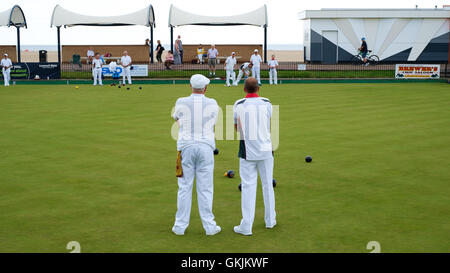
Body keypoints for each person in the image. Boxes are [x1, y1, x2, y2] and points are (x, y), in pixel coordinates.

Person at [172, 74, 221, 236]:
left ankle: (180, 226)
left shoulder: (181, 101)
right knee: (205, 187)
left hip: (186, 146)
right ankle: (209, 226)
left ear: (190, 86)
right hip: (206, 146)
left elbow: (176, 119)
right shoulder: (212, 103)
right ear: (205, 88)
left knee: (184, 187)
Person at [233, 77, 276, 236]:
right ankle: (270, 221)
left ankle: (246, 226)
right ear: (258, 88)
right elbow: (267, 122)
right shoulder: (267, 103)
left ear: (244, 89)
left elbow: (237, 129)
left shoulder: (239, 104)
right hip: (266, 148)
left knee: (248, 187)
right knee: (267, 185)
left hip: (248, 150)